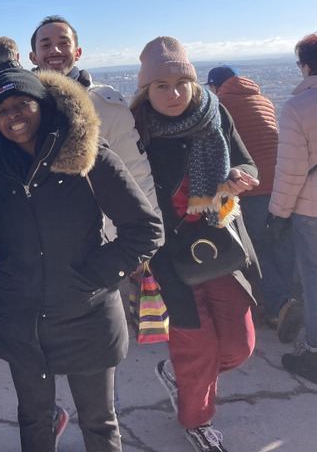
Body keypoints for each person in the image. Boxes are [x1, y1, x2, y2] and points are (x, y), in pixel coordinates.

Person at [0, 66, 162, 452]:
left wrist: (92, 277)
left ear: (44, 105)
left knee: (99, 421)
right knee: (33, 418)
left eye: (22, 103)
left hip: (86, 317)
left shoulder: (87, 158)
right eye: (2, 110)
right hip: (20, 318)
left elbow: (146, 229)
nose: (13, 116)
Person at [131, 37, 260, 452]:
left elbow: (245, 160)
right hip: (168, 255)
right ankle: (197, 419)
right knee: (196, 345)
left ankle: (184, 375)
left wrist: (239, 175)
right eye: (161, 85)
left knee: (240, 345)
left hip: (218, 243)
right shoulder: (137, 128)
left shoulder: (213, 112)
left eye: (181, 82)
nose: (174, 93)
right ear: (146, 89)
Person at [29, 16, 160, 228]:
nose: (55, 50)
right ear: (33, 57)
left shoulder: (105, 103)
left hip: (104, 238)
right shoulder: (22, 110)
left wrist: (147, 237)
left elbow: (135, 171)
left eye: (64, 43)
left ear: (77, 53)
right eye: (46, 45)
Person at [207, 65, 301, 339]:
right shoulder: (264, 100)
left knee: (254, 247)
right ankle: (288, 300)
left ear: (215, 86)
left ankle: (278, 306)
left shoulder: (220, 105)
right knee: (283, 243)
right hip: (282, 183)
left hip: (249, 187)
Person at [268, 33, 317, 382]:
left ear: (304, 65)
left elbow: (291, 171)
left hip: (311, 210)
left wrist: (278, 214)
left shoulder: (299, 107)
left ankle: (313, 354)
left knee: (313, 281)